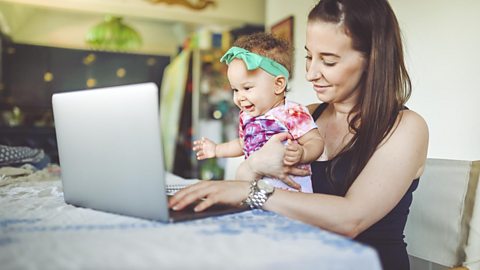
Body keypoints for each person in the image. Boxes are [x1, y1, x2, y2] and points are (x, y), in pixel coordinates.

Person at [170, 0, 429, 269]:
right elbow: (248, 180)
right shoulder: (304, 115)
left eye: (328, 61)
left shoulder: (406, 127)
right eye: (308, 57)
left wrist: (254, 190)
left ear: (372, 59)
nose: (310, 73)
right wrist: (253, 167)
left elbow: (350, 220)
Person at [193, 33, 324, 192]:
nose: (240, 97)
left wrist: (303, 153)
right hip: (257, 191)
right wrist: (217, 150)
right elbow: (242, 144)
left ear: (278, 85)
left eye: (247, 88)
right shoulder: (247, 117)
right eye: (235, 89)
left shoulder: (292, 112)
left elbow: (315, 141)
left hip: (292, 194)